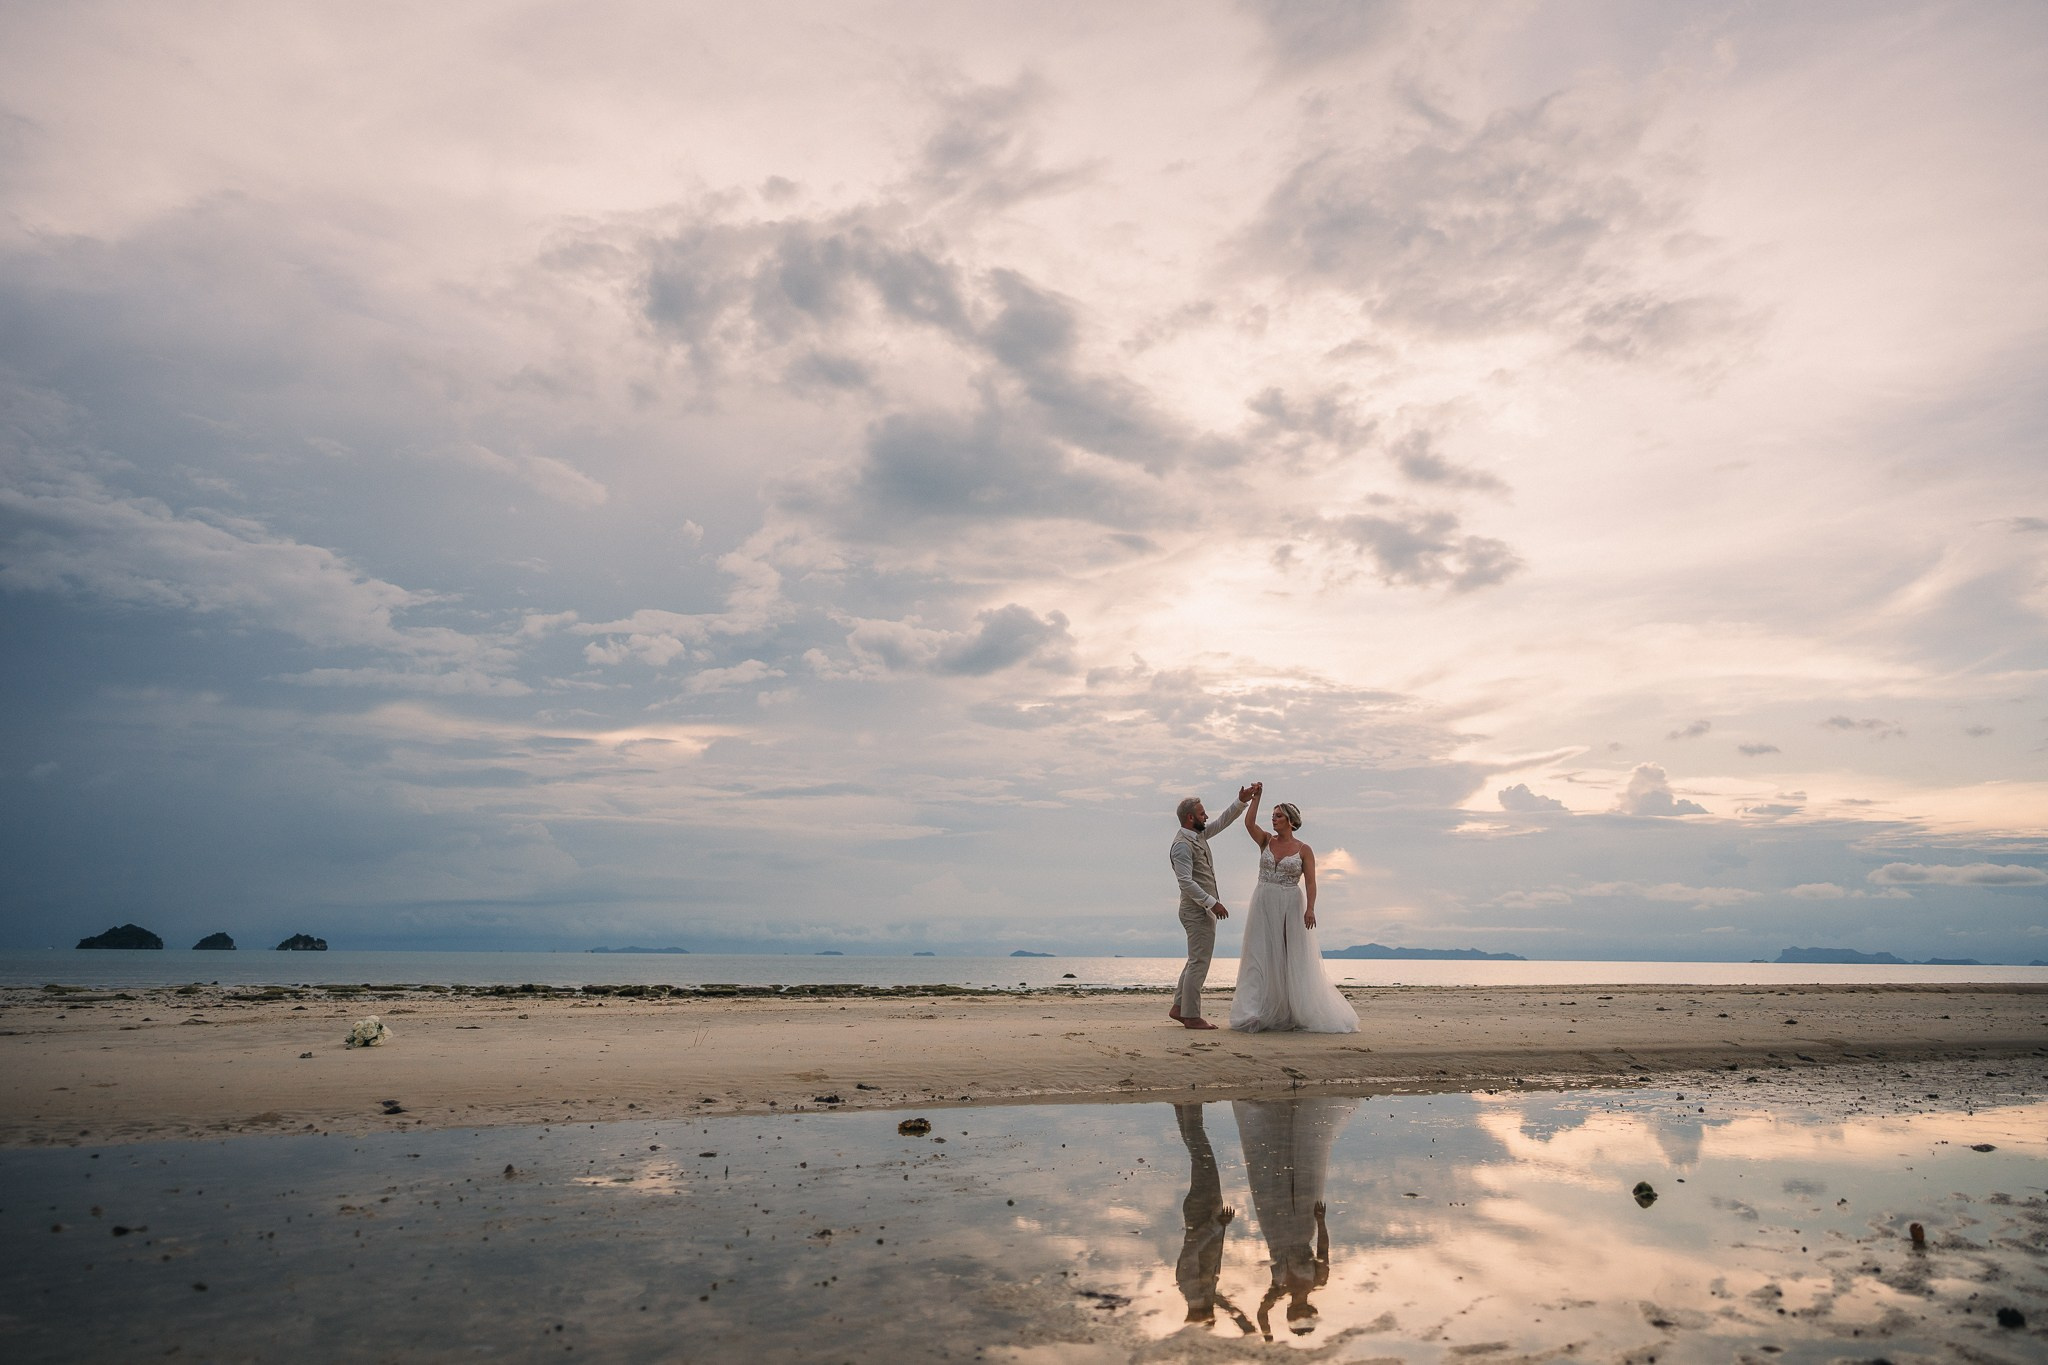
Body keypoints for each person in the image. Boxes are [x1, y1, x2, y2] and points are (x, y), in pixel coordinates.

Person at [1228, 792, 1358, 1033]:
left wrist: (1310, 908)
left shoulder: (1304, 850)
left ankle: (1292, 1009)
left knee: (1290, 955)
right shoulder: (1266, 840)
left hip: (1291, 903)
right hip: (1263, 902)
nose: (1274, 820)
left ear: (1290, 821)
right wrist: (1255, 798)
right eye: (1273, 816)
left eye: (1278, 816)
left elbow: (1310, 883)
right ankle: (1253, 1011)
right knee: (1259, 953)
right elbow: (1248, 823)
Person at [1233, 1096, 1358, 1338]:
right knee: (1301, 1176)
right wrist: (1321, 1221)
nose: (1297, 1312)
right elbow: (1323, 1251)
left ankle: (1275, 1117)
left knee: (1269, 1181)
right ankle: (1291, 1114)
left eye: (1294, 1316)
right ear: (1310, 1310)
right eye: (1302, 1315)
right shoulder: (1318, 1281)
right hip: (1303, 1229)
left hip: (1275, 1231)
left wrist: (1268, 1337)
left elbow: (1261, 1313)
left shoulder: (1278, 1289)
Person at [1168, 785, 1252, 1029]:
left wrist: (1240, 801)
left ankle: (1178, 1007)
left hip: (1200, 911)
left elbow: (1223, 821)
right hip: (1196, 911)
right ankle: (1192, 1016)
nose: (1206, 817)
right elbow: (1185, 881)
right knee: (1199, 963)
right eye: (1202, 813)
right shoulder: (1182, 844)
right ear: (1190, 818)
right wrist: (1212, 903)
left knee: (1195, 960)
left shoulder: (1199, 835)